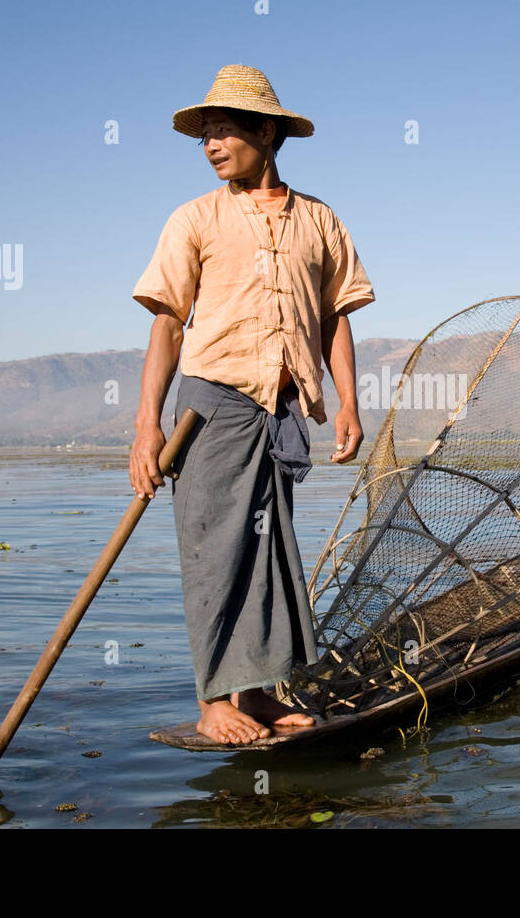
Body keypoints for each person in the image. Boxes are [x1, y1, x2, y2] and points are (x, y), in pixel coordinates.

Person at [128, 65, 374, 745]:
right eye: (204, 135)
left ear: (266, 132)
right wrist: (147, 426)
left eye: (224, 131)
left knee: (267, 554)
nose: (210, 145)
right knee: (215, 550)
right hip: (209, 406)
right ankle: (215, 701)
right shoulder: (196, 218)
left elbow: (335, 319)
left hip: (280, 409)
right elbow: (168, 324)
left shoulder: (319, 220)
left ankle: (258, 694)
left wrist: (348, 403)